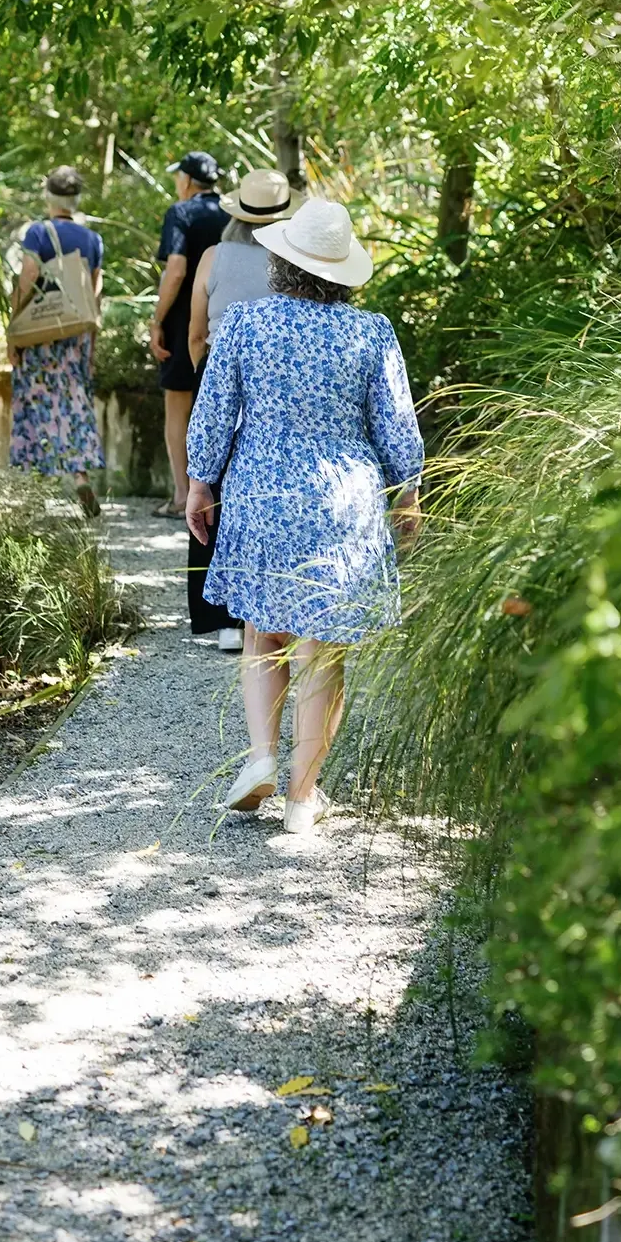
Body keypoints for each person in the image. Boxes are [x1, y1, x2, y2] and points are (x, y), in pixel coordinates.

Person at [185, 197, 423, 837]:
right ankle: (301, 797)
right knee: (323, 652)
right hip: (343, 500)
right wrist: (407, 493)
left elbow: (213, 411)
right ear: (343, 272)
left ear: (281, 262)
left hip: (262, 489)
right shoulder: (371, 333)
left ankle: (261, 757)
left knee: (263, 635)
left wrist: (200, 482)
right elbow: (396, 425)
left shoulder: (245, 323)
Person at [185, 169, 294, 653]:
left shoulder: (214, 256)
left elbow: (195, 331)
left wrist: (205, 376)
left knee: (206, 486)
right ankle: (266, 609)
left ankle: (220, 619)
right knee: (256, 492)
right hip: (275, 380)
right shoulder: (293, 261)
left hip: (216, 367)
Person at [8, 166, 104, 517]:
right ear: (76, 199)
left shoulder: (38, 232)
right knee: (74, 404)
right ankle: (80, 476)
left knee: (35, 402)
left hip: (41, 334)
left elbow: (28, 277)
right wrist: (91, 343)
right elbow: (95, 292)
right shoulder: (92, 239)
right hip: (76, 335)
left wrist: (14, 329)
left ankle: (33, 487)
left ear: (48, 196)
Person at [149, 150, 226, 518]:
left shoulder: (180, 213)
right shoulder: (233, 212)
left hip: (183, 322)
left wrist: (157, 320)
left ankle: (182, 496)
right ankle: (221, 496)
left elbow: (176, 270)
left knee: (178, 406)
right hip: (226, 320)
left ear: (187, 181)